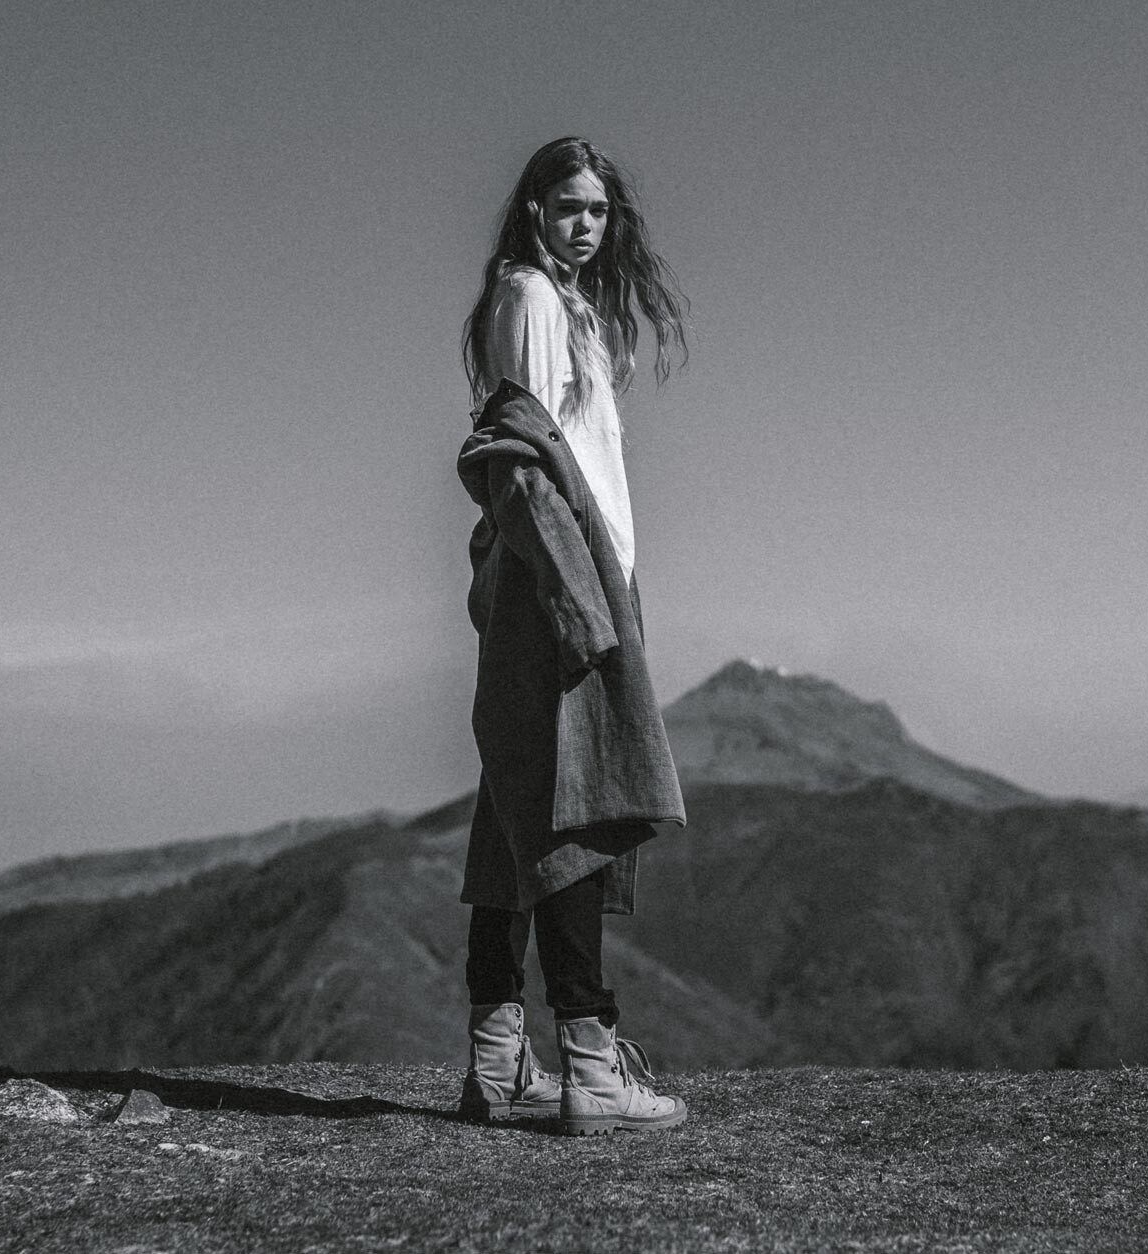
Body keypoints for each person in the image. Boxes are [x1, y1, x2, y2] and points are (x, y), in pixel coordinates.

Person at [455, 137, 691, 1135]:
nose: (585, 224)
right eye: (568, 207)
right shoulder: (531, 298)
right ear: (534, 211)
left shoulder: (564, 304)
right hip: (564, 576)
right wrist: (578, 600)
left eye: (597, 209)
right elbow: (517, 460)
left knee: (520, 809)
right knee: (575, 815)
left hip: (576, 572)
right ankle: (591, 1066)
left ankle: (498, 1061)